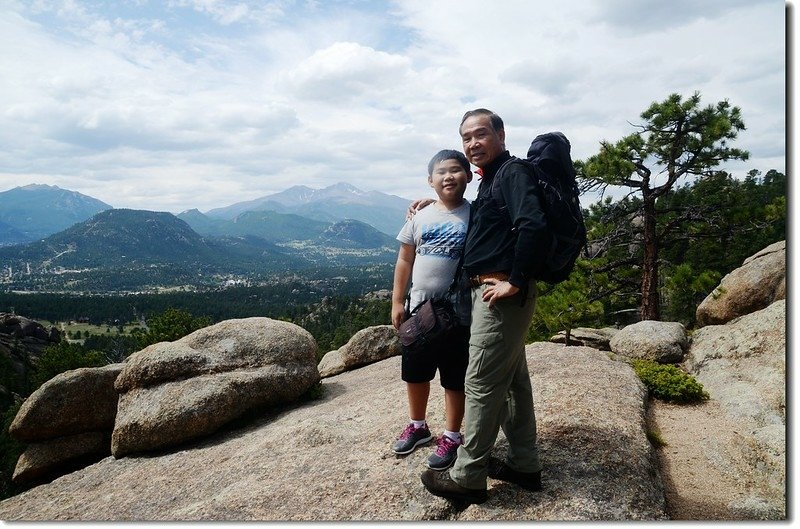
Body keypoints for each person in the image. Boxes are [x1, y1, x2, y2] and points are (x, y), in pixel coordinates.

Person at [420, 109, 548, 504]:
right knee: (512, 382)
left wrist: (516, 280)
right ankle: (525, 465)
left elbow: (533, 224)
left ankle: (468, 475)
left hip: (499, 295)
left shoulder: (512, 173)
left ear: (501, 134)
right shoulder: (492, 179)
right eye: (466, 138)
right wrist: (433, 204)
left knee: (480, 382)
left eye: (480, 135)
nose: (473, 144)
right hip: (489, 293)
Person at [390, 149, 473, 471]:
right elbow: (405, 259)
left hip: (459, 312)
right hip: (419, 308)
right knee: (415, 372)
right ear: (430, 180)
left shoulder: (476, 215)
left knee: (454, 377)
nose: (449, 176)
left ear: (467, 175)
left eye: (456, 170)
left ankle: (452, 435)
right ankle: (419, 426)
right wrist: (398, 301)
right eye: (442, 172)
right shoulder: (419, 217)